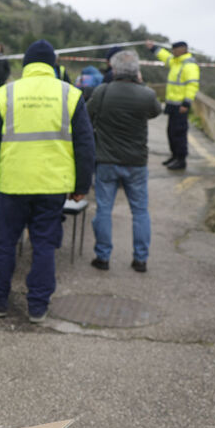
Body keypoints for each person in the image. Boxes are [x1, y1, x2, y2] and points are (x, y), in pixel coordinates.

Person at [0, 40, 95, 322]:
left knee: (4, 243)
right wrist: (81, 186)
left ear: (26, 64)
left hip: (13, 184)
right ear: (53, 65)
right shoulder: (71, 95)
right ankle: (38, 307)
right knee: (44, 245)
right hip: (52, 186)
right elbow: (85, 145)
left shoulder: (5, 94)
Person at [87, 50, 160, 273]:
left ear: (114, 69)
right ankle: (140, 259)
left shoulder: (103, 91)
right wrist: (141, 83)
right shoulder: (146, 94)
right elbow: (155, 112)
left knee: (104, 209)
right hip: (136, 162)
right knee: (140, 211)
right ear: (137, 71)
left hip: (106, 160)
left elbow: (87, 115)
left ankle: (103, 257)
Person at [145, 39, 200, 170]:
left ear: (182, 50)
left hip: (181, 106)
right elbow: (164, 56)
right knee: (171, 132)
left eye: (175, 50)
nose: (173, 52)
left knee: (179, 133)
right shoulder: (176, 62)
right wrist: (153, 48)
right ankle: (174, 156)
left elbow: (192, 86)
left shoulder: (189, 65)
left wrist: (186, 103)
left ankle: (181, 159)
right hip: (172, 105)